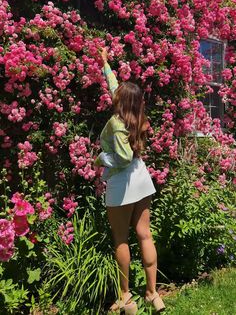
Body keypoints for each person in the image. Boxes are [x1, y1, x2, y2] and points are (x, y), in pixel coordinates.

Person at [94, 48, 165, 314]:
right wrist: (105, 62)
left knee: (121, 240)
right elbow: (115, 87)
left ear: (121, 102)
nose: (116, 93)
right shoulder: (139, 117)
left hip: (122, 184)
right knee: (145, 235)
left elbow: (122, 158)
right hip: (141, 179)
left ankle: (125, 298)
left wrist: (101, 159)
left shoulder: (116, 121)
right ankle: (153, 294)